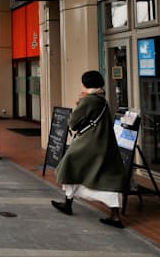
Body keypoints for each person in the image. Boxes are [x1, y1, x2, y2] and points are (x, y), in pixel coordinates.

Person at [51, 70, 127, 228]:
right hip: (105, 143)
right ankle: (115, 215)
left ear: (86, 83)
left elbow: (73, 122)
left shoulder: (88, 100)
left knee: (70, 164)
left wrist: (79, 103)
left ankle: (68, 203)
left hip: (88, 142)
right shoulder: (102, 99)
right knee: (108, 176)